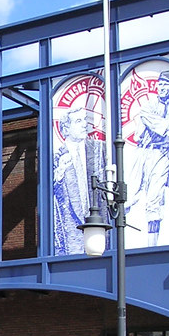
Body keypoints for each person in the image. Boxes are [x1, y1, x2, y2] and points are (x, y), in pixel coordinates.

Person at [126, 69, 169, 246]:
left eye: (166, 84)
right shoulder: (148, 105)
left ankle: (152, 246)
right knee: (130, 194)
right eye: (160, 83)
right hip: (143, 152)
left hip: (163, 155)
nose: (162, 87)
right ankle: (117, 238)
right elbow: (160, 127)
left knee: (155, 199)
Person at [53, 104, 106, 254]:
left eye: (84, 120)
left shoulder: (98, 148)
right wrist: (59, 174)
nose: (84, 125)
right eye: (78, 121)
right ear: (66, 129)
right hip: (72, 229)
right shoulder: (56, 156)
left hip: (99, 227)